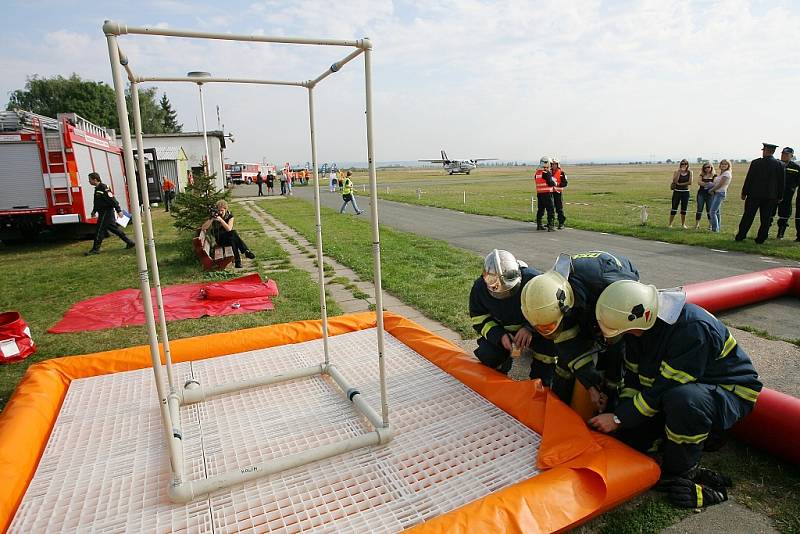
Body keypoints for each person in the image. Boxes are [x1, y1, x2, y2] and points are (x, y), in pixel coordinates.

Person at [588, 280, 762, 508]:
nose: (625, 335)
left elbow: (664, 388)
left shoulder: (691, 328)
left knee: (684, 400)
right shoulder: (639, 330)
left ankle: (683, 470)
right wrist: (621, 417)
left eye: (627, 330)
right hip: (678, 390)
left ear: (644, 317)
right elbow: (633, 380)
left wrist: (619, 419)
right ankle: (689, 436)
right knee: (630, 440)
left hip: (728, 393)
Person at [521, 251, 639, 409]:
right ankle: (559, 407)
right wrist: (591, 385)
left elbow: (617, 344)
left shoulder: (610, 288)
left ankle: (613, 404)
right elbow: (567, 343)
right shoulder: (550, 290)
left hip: (611, 297)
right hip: (583, 298)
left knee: (613, 354)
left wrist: (605, 387)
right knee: (565, 364)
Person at [469, 249, 557, 384]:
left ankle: (542, 386)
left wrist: (530, 329)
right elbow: (479, 317)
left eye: (510, 290)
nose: (505, 296)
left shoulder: (534, 281)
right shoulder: (479, 288)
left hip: (536, 330)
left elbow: (549, 311)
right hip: (505, 334)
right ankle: (496, 379)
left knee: (548, 352)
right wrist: (499, 336)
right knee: (489, 354)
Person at [735, 143, 785, 244]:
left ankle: (741, 236)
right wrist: (780, 196)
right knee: (766, 218)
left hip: (754, 195)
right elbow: (781, 182)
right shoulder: (780, 164)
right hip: (770, 196)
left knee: (748, 216)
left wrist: (744, 192)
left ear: (765, 151)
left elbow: (749, 179)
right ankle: (761, 238)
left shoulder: (756, 163)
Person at [85, 172, 135, 256]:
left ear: (95, 179)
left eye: (89, 179)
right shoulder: (97, 189)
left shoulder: (104, 188)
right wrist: (94, 211)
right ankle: (129, 242)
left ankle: (95, 249)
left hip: (106, 212)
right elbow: (97, 202)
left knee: (99, 230)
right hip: (102, 212)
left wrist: (118, 210)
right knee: (114, 229)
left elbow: (112, 199)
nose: (89, 181)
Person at [200, 200, 255, 269]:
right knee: (233, 234)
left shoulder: (230, 216)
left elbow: (229, 228)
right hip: (220, 240)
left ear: (226, 209)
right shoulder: (214, 216)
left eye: (222, 210)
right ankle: (246, 251)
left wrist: (221, 220)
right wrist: (211, 219)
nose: (220, 212)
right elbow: (203, 228)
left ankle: (238, 262)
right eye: (219, 210)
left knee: (232, 238)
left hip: (229, 239)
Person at [776, 147, 800, 239]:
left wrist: (792, 188)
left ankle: (780, 234)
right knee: (769, 214)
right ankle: (765, 233)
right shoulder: (776, 164)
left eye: (786, 154)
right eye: (782, 154)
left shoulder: (796, 167)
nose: (784, 155)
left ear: (791, 156)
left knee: (784, 215)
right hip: (774, 194)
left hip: (787, 196)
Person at [708, 159, 732, 233]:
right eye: (722, 164)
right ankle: (717, 228)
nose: (723, 165)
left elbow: (720, 184)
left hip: (720, 193)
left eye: (725, 164)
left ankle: (715, 229)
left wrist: (711, 190)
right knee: (717, 212)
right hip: (717, 193)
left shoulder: (727, 174)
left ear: (728, 166)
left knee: (712, 211)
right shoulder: (722, 173)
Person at [668, 160, 693, 229]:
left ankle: (683, 224)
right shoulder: (676, 172)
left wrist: (680, 184)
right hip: (677, 192)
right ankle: (670, 224)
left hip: (686, 192)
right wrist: (679, 172)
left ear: (687, 165)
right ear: (680, 165)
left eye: (685, 164)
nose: (684, 165)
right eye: (682, 164)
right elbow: (675, 181)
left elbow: (690, 182)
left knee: (684, 208)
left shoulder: (690, 172)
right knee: (674, 207)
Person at [534, 156, 556, 231]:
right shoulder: (546, 173)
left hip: (540, 194)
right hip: (547, 194)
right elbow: (550, 183)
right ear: (546, 163)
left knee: (540, 210)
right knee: (550, 210)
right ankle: (551, 226)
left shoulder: (537, 173)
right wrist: (555, 183)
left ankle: (539, 225)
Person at [694, 163, 715, 229]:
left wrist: (705, 184)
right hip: (701, 194)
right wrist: (709, 184)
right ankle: (697, 224)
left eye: (708, 167)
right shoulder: (701, 175)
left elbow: (715, 184)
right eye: (705, 167)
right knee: (699, 209)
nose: (707, 169)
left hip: (710, 194)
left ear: (711, 168)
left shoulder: (714, 175)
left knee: (709, 209)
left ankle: (710, 225)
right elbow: (699, 182)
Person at [551, 157, 568, 229]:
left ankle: (561, 223)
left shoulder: (562, 173)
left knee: (559, 209)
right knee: (551, 208)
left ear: (558, 165)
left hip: (558, 193)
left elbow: (565, 183)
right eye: (552, 164)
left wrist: (557, 184)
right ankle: (551, 223)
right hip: (550, 193)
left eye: (555, 164)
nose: (553, 165)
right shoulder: (548, 172)